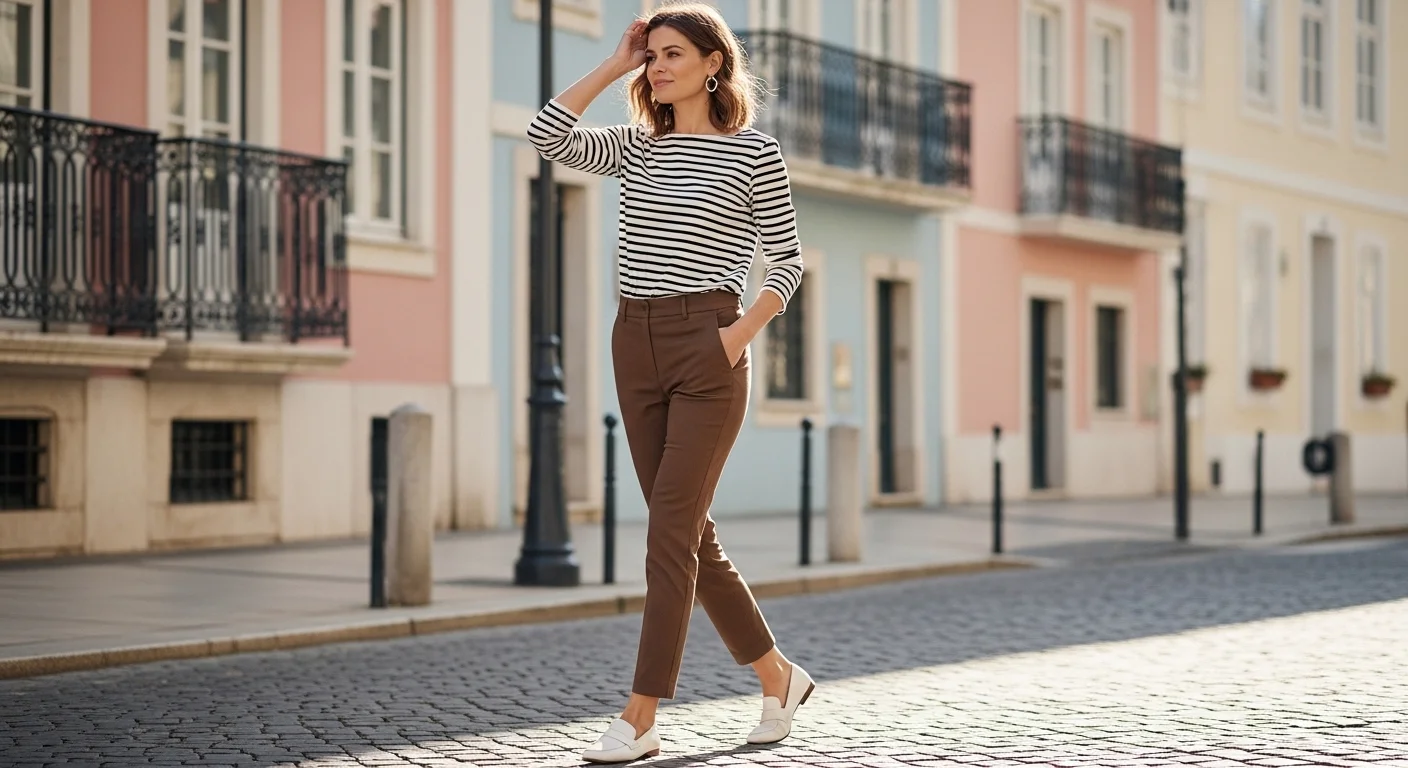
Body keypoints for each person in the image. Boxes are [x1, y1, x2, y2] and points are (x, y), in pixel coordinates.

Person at [525, 3, 814, 764]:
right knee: (690, 536)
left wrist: (733, 339)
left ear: (714, 63)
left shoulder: (755, 153)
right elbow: (545, 135)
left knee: (667, 534)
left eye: (673, 54)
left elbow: (786, 264)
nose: (659, 66)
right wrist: (613, 64)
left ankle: (641, 714)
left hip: (708, 350)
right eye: (651, 56)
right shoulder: (637, 148)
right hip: (635, 343)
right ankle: (778, 678)